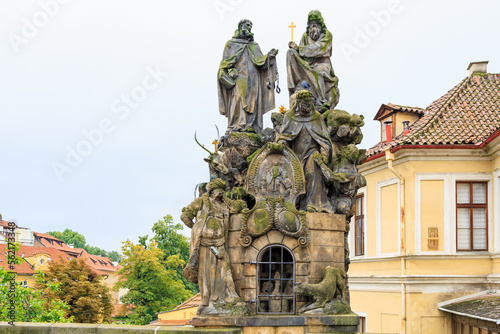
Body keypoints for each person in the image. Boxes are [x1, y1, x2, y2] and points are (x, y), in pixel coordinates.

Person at [181, 178, 246, 315]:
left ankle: (223, 300)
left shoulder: (224, 204)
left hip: (220, 243)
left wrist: (226, 199)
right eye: (217, 191)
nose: (219, 194)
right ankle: (207, 302)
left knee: (224, 271)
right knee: (207, 274)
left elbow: (238, 207)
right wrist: (196, 228)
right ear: (211, 190)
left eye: (221, 191)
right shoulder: (201, 202)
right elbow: (185, 216)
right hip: (205, 244)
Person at [218, 19, 278, 134]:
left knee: (254, 102)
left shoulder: (254, 46)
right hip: (239, 77)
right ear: (240, 26)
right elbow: (224, 64)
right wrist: (227, 73)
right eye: (246, 25)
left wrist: (269, 56)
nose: (248, 28)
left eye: (250, 26)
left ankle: (251, 126)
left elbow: (261, 62)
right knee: (238, 98)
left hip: (254, 78)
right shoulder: (231, 44)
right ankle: (236, 125)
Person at [277, 90, 334, 213]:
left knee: (312, 171)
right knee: (295, 177)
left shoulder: (316, 117)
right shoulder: (290, 117)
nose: (307, 106)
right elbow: (284, 137)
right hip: (294, 156)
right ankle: (295, 204)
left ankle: (313, 204)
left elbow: (324, 141)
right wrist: (281, 144)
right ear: (298, 103)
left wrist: (324, 155)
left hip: (312, 153)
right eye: (304, 103)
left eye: (309, 103)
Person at [286, 10, 339, 111]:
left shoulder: (327, 35)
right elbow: (300, 53)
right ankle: (294, 87)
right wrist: (294, 49)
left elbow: (319, 48)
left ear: (320, 24)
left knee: (319, 72)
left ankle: (321, 101)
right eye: (311, 22)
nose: (313, 25)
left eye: (316, 22)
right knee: (290, 53)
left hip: (322, 63)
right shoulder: (305, 36)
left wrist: (299, 49)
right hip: (307, 63)